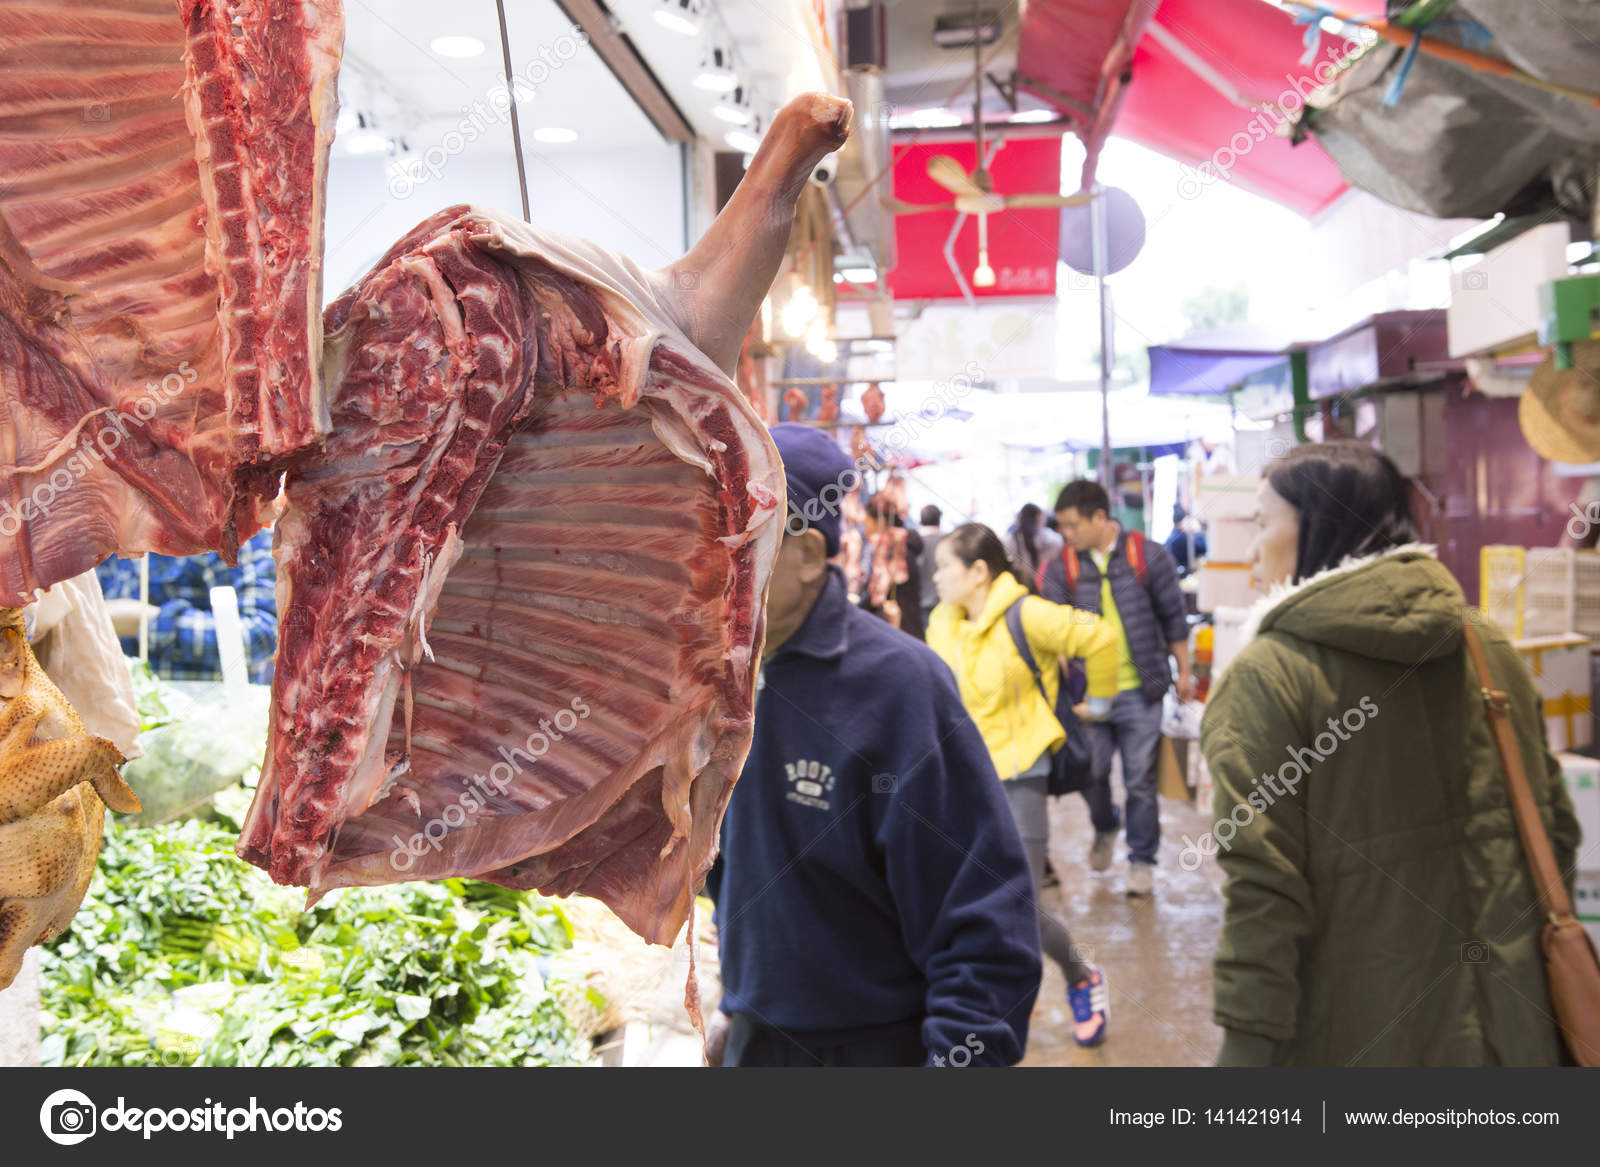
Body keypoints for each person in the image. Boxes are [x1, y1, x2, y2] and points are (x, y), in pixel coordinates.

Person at [1202, 442, 1581, 1066]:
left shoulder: (1269, 678)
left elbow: (1262, 895)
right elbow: (1555, 834)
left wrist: (1244, 1053)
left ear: (1319, 528)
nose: (1250, 549)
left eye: (1264, 523)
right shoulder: (1486, 646)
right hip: (1517, 1033)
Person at [704, 425, 1043, 1067]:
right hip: (760, 1038)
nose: (710, 555)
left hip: (877, 1048)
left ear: (807, 556)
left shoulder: (899, 688)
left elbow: (986, 922)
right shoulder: (720, 678)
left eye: (736, 533)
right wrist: (741, 1006)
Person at [926, 522, 1120, 1047]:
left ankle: (1081, 976)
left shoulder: (1026, 612)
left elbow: (1101, 638)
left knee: (1017, 903)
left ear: (978, 572)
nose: (936, 575)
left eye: (945, 565)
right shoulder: (942, 622)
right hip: (964, 775)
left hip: (1022, 772)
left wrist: (1097, 707)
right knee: (955, 896)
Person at [1042, 480, 1191, 896]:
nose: (1065, 534)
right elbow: (1050, 628)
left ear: (1100, 518)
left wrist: (1184, 673)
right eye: (1062, 527)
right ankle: (1106, 825)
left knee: (1140, 779)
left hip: (1140, 690)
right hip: (1088, 697)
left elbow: (1173, 616)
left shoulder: (1147, 555)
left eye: (1072, 525)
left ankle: (1141, 860)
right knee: (1090, 772)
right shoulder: (1062, 567)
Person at [95, 527, 277, 684]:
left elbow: (262, 634)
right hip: (110, 705)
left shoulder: (229, 525)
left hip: (209, 711)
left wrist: (145, 621)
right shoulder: (101, 528)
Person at [859, 493, 924, 641]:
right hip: (900, 630)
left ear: (881, 521)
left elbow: (876, 596)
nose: (864, 529)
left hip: (904, 631)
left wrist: (854, 609)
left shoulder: (898, 551)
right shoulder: (891, 549)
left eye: (866, 522)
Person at [1003, 503, 1062, 588]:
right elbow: (1059, 544)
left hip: (1022, 585)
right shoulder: (1045, 535)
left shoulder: (1011, 539)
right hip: (1045, 583)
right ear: (1038, 517)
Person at [1164, 503, 1208, 577]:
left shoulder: (1173, 536)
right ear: (1183, 521)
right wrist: (1198, 531)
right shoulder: (1181, 539)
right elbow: (1204, 548)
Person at [917, 505, 943, 626]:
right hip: (944, 605)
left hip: (921, 604)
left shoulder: (916, 542)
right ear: (939, 520)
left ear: (921, 521)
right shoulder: (947, 542)